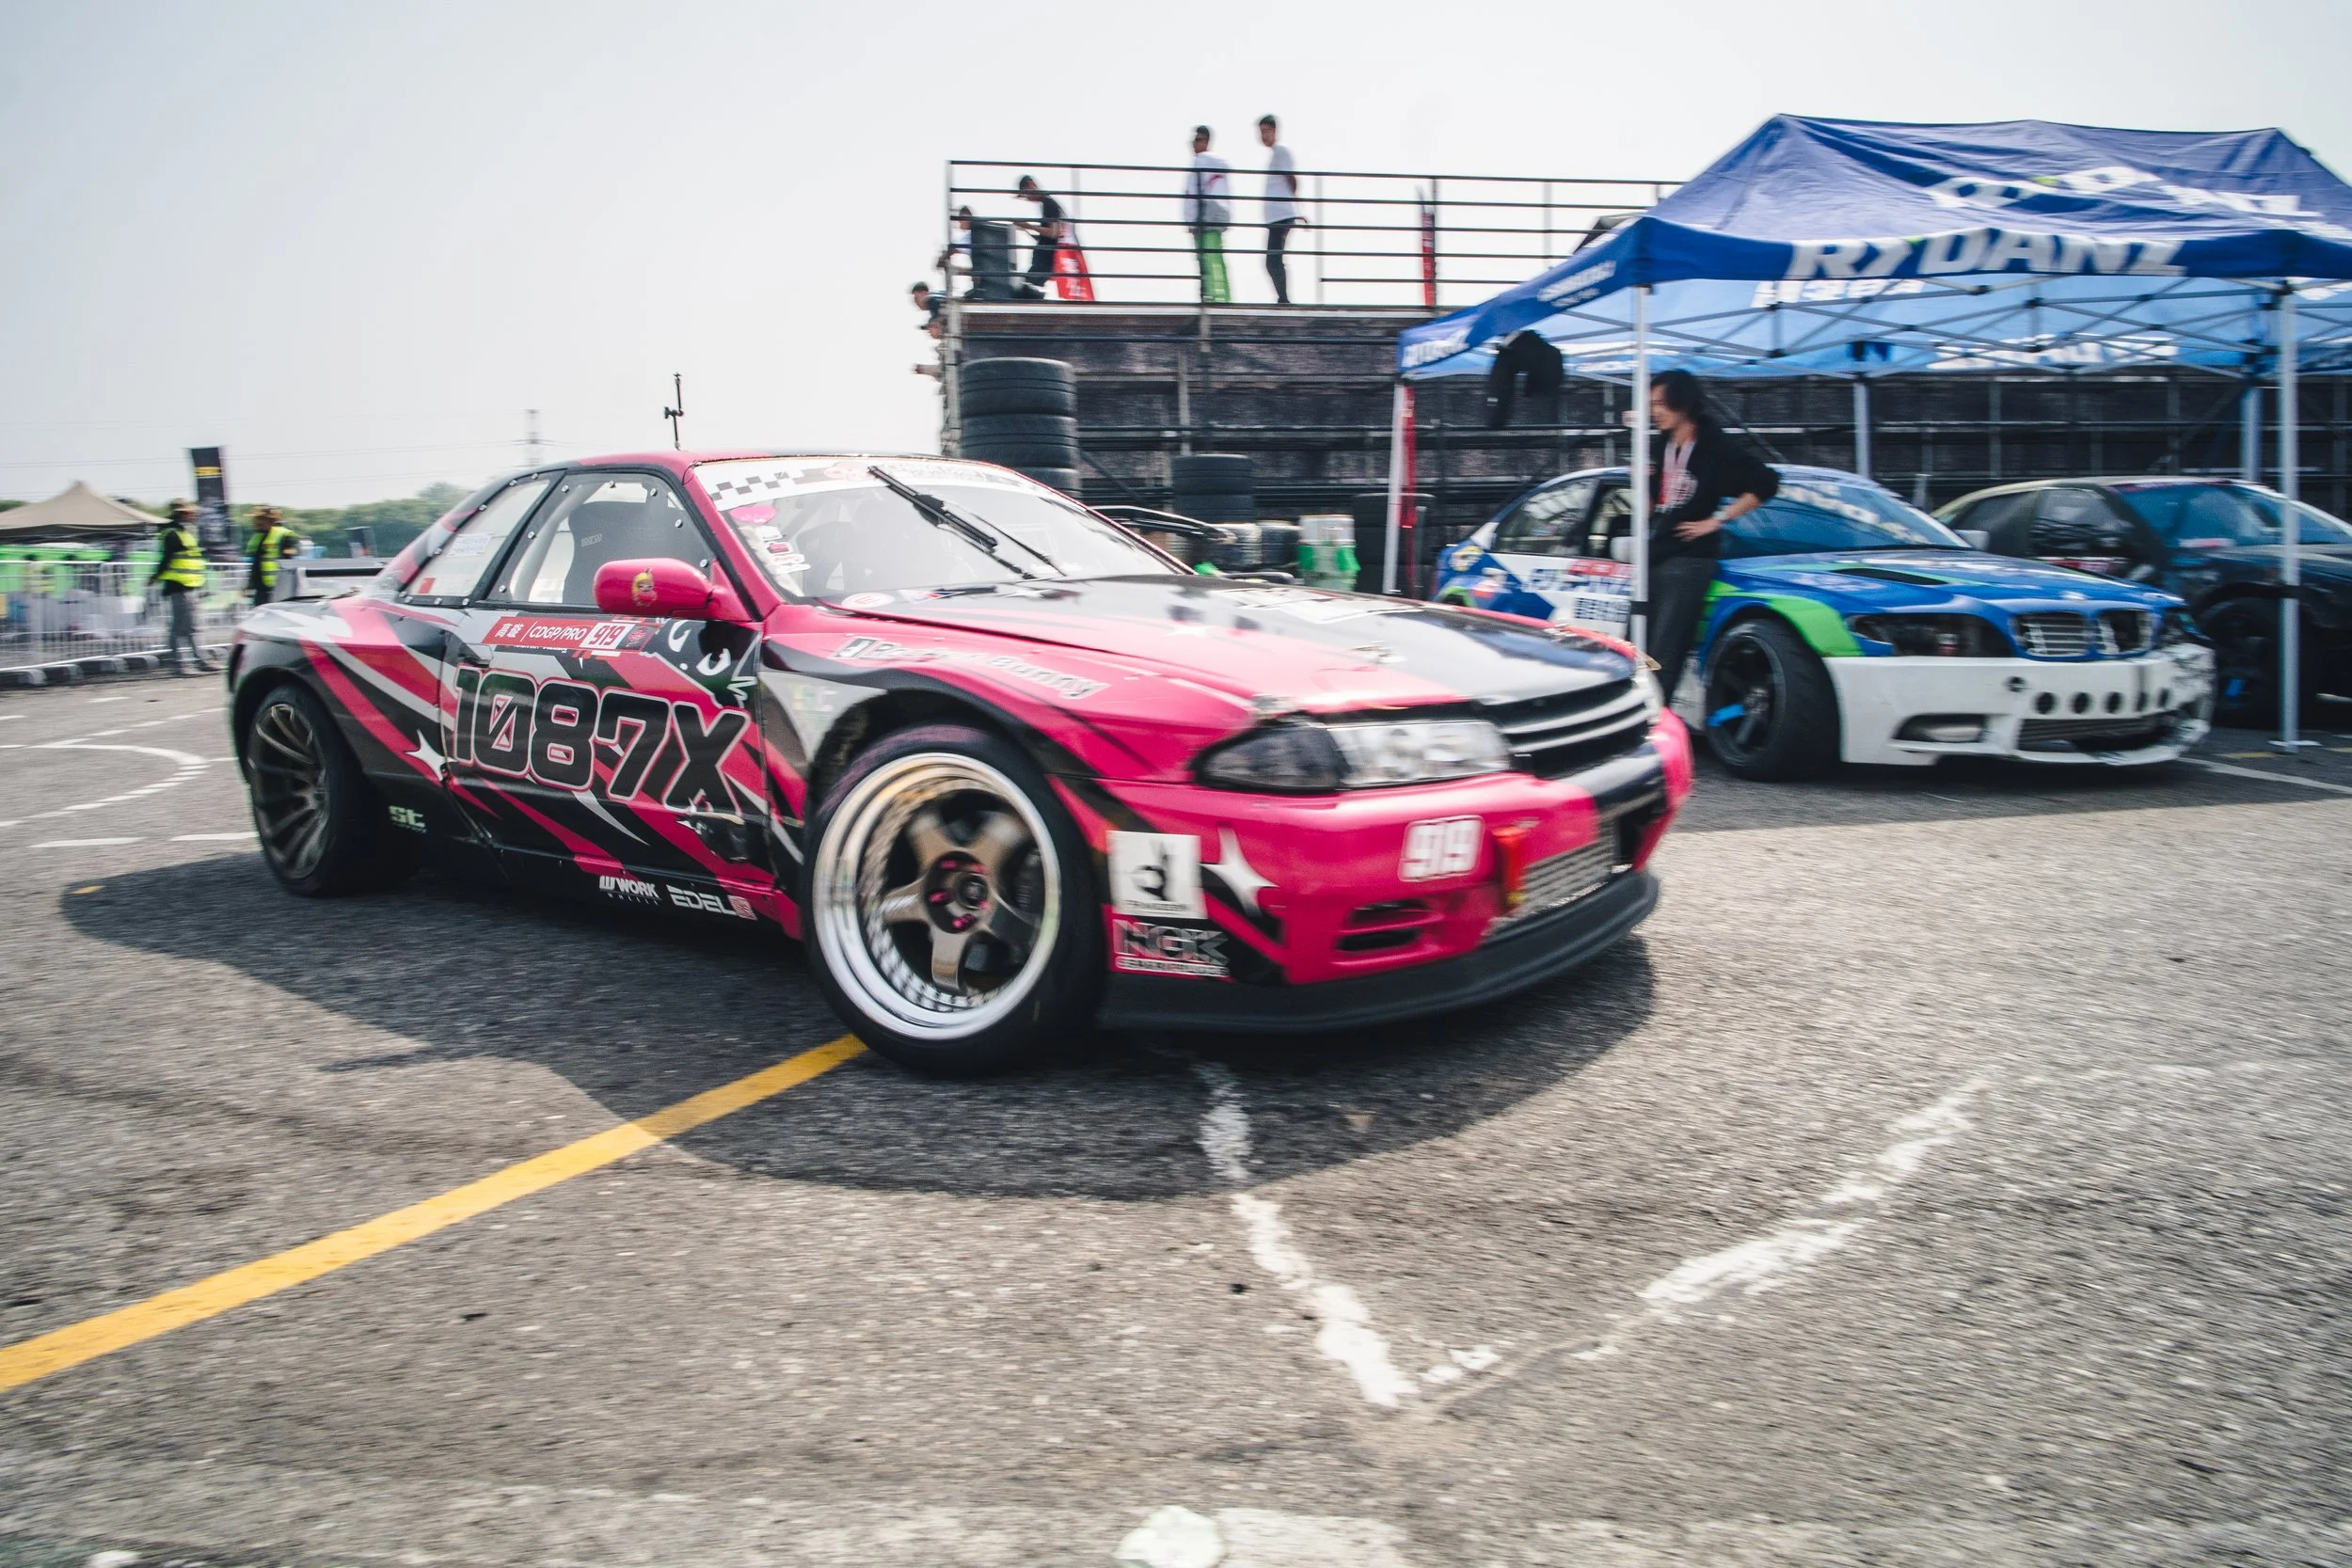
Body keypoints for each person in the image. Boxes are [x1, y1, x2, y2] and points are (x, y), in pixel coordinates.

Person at [1644, 370, 1777, 700]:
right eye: (1651, 404)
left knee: (1665, 648)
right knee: (1644, 644)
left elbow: (1767, 482)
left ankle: (1654, 721)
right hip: (1658, 552)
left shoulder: (1715, 445)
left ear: (1683, 403)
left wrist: (1716, 520)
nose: (1654, 411)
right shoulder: (1660, 444)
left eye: (1661, 403)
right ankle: (1643, 712)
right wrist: (1641, 479)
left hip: (1691, 557)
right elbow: (1650, 508)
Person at [151, 499, 215, 674]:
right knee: (180, 626)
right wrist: (155, 577)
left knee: (192, 626)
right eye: (190, 512)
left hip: (190, 585)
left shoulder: (185, 531)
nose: (193, 515)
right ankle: (177, 664)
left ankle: (200, 661)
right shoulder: (172, 533)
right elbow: (167, 559)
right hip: (179, 585)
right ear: (182, 513)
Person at [1258, 115, 1305, 305]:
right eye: (1261, 132)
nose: (1263, 135)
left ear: (1275, 131)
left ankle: (1284, 300)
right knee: (1273, 260)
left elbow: (1291, 178)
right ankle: (1283, 299)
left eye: (1267, 131)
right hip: (1276, 216)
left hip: (1282, 215)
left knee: (1273, 260)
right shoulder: (1275, 154)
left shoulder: (1281, 152)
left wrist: (1296, 207)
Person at [1184, 126, 1232, 304]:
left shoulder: (1200, 163)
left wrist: (1190, 221)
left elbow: (1192, 194)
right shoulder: (1218, 164)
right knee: (1216, 258)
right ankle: (1223, 296)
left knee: (1205, 259)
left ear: (1206, 141)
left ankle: (1211, 296)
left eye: (1198, 140)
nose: (1194, 145)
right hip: (1217, 216)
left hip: (1203, 218)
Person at [1013, 176, 1065, 298]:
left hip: (1045, 262)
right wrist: (1027, 229)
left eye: (1026, 194)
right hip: (1043, 262)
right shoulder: (1046, 204)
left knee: (1021, 291)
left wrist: (1029, 226)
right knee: (1023, 289)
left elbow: (1054, 233)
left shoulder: (1049, 203)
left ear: (1031, 185)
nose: (1028, 198)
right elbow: (1049, 236)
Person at [245, 505, 301, 607]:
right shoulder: (259, 536)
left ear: (270, 520)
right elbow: (256, 563)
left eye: (259, 519)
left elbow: (290, 563)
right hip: (261, 589)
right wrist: (248, 585)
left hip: (279, 588)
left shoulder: (286, 535)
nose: (256, 522)